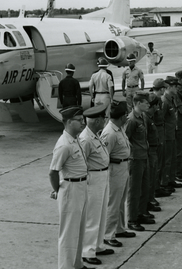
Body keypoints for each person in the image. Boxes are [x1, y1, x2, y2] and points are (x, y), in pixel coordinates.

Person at [48, 106, 93, 269]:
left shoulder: (76, 139)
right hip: (70, 189)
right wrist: (59, 191)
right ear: (68, 122)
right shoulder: (64, 144)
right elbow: (53, 172)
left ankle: (77, 264)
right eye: (79, 120)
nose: (83, 123)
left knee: (80, 230)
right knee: (68, 234)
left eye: (83, 120)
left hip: (81, 187)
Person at [79, 103, 113, 265]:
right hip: (93, 179)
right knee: (92, 216)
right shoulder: (85, 139)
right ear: (97, 121)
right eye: (103, 119)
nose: (105, 121)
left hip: (102, 176)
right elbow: (80, 163)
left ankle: (98, 245)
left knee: (101, 213)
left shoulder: (95, 135)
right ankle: (88, 251)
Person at [101, 101, 136, 249]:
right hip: (115, 170)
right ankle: (108, 235)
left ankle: (120, 228)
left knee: (121, 201)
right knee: (113, 203)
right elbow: (103, 157)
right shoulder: (109, 133)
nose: (127, 117)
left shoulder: (118, 128)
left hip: (123, 167)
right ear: (121, 117)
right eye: (125, 115)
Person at [125, 92, 154, 231]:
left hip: (144, 156)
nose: (148, 104)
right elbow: (126, 139)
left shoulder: (143, 116)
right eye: (145, 102)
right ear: (137, 103)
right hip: (135, 158)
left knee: (144, 186)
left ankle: (141, 212)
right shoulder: (131, 120)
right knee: (134, 189)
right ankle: (132, 218)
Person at [143, 93, 163, 212]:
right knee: (149, 178)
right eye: (156, 105)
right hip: (149, 152)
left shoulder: (149, 117)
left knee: (152, 176)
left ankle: (150, 199)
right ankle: (147, 201)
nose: (158, 108)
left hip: (153, 150)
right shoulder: (145, 118)